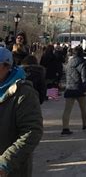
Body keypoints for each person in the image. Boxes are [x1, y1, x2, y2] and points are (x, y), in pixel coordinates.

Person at [0, 47, 43, 177]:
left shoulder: (23, 93)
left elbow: (32, 131)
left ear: (6, 66)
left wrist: (5, 163)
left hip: (11, 169)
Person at [61, 46, 86, 135]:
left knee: (67, 110)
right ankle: (85, 123)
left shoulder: (69, 62)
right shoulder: (83, 62)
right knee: (83, 107)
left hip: (69, 88)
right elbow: (84, 77)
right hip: (79, 88)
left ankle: (65, 128)